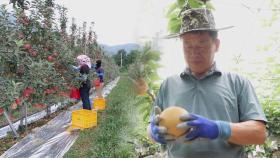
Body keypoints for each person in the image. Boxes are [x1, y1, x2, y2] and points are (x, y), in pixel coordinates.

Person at [147, 7, 267, 158]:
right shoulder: (168, 85)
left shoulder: (237, 83)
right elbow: (151, 127)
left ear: (216, 45)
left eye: (201, 44)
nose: (194, 52)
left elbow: (259, 133)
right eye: (187, 45)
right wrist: (153, 132)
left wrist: (219, 129)